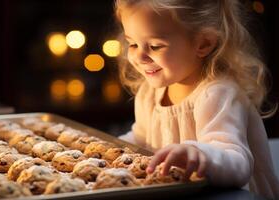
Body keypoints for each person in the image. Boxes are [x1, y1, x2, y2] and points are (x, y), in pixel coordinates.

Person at [114, 0, 279, 199]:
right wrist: (112, 147)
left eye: (155, 46)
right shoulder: (149, 93)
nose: (139, 57)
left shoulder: (218, 94)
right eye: (132, 43)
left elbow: (237, 163)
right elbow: (141, 141)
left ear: (203, 43)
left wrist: (201, 155)